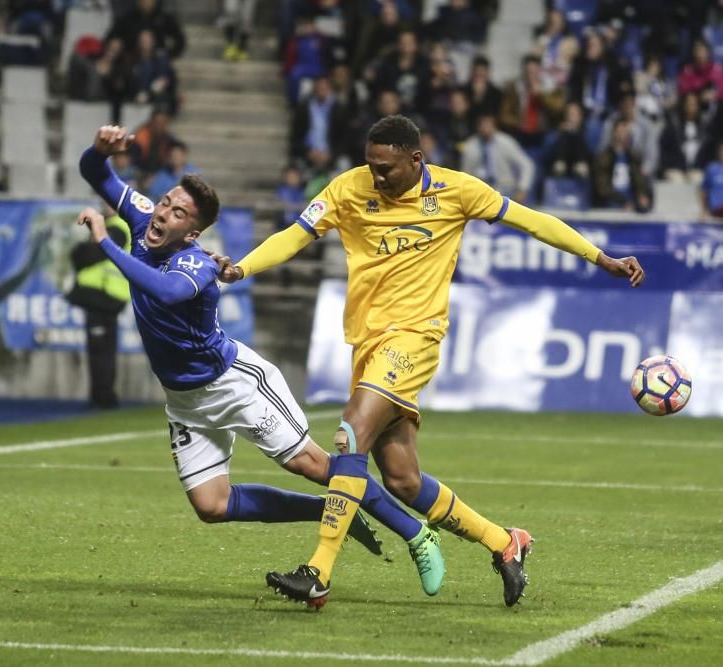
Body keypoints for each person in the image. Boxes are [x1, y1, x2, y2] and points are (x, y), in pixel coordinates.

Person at [216, 114, 645, 608]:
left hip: (415, 338)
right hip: (367, 344)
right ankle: (506, 543)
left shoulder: (457, 191)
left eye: (386, 168)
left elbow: (532, 220)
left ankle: (318, 572)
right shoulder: (347, 189)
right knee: (401, 479)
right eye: (370, 166)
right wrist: (242, 267)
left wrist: (601, 257)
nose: (376, 177)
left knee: (350, 432)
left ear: (416, 159)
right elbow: (295, 234)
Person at [79, 125, 445, 600]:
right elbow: (94, 172)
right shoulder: (144, 215)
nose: (163, 212)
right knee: (211, 505)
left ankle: (417, 532)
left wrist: (105, 244)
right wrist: (100, 150)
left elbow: (164, 292)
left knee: (315, 464)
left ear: (193, 231)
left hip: (235, 384)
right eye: (165, 201)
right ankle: (330, 510)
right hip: (185, 400)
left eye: (178, 212)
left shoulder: (198, 265)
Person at [66, 206, 131, 409]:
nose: (105, 204)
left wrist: (80, 251)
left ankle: (103, 397)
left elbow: (89, 254)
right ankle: (102, 395)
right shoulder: (116, 226)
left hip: (103, 295)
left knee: (100, 349)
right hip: (102, 296)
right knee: (102, 348)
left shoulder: (117, 228)